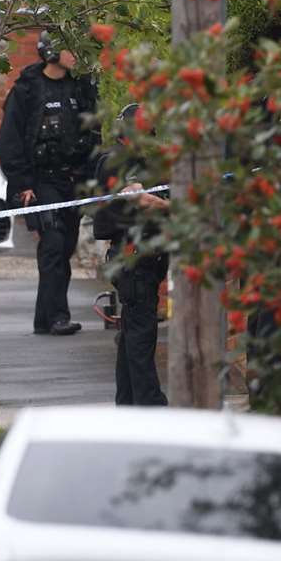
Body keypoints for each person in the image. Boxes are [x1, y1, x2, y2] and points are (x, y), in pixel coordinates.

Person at [0, 30, 99, 336]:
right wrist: (22, 183)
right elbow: (10, 140)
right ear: (52, 52)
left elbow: (94, 133)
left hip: (73, 179)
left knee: (65, 245)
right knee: (53, 243)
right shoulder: (27, 89)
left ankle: (44, 318)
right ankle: (57, 316)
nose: (76, 55)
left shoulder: (81, 88)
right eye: (71, 48)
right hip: (41, 181)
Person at [91, 103, 169, 406]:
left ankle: (127, 402)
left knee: (131, 333)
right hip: (133, 257)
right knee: (140, 333)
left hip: (145, 256)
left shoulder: (141, 163)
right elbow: (142, 200)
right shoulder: (114, 162)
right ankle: (150, 405)